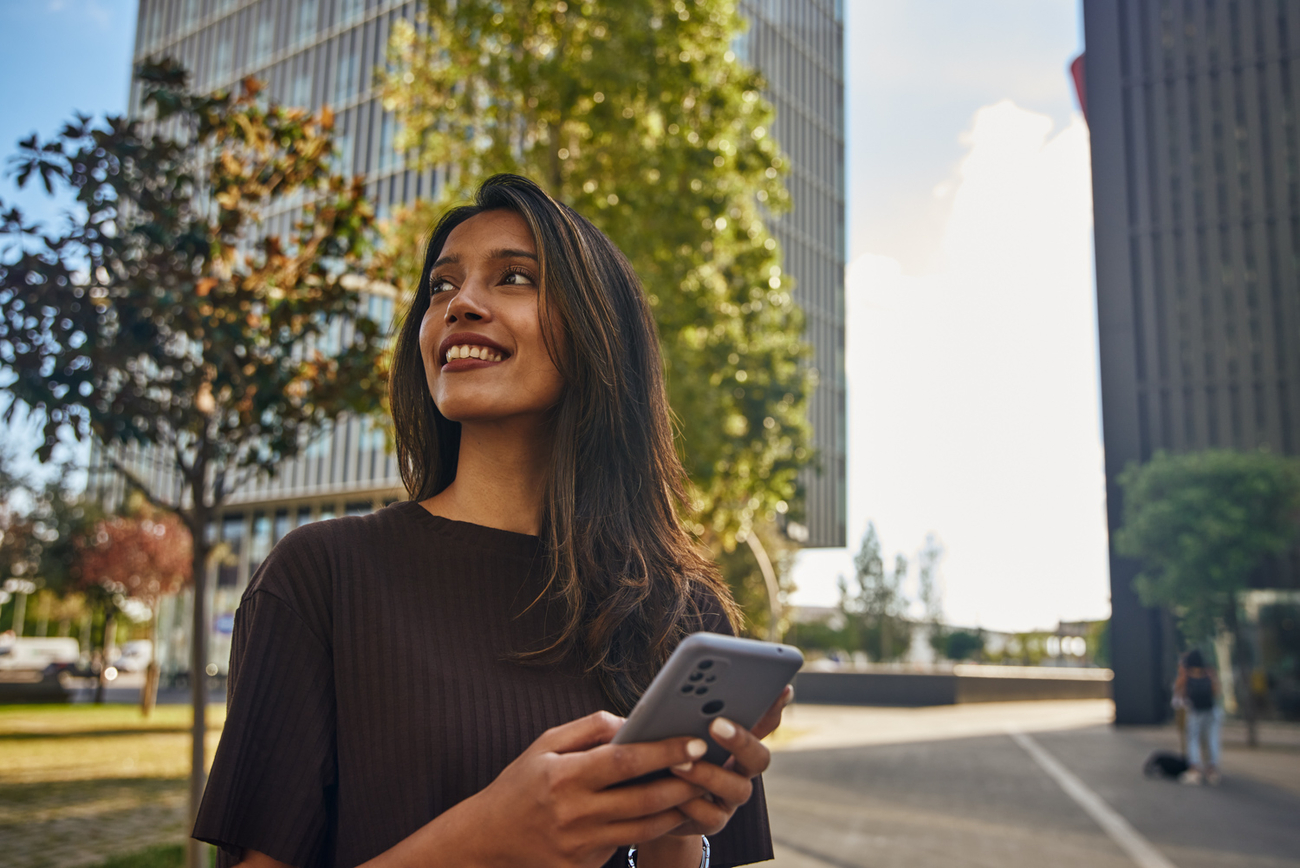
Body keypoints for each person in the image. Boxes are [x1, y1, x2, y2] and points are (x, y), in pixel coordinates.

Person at [192, 174, 788, 868]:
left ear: (601, 331)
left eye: (512, 278)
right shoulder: (320, 576)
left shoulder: (688, 615)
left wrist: (670, 823)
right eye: (441, 286)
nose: (460, 304)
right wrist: (486, 838)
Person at [1173, 648, 1222, 785]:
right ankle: (1212, 770)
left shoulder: (1186, 675)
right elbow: (1216, 691)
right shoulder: (1209, 672)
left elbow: (1179, 691)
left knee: (1193, 738)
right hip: (1211, 710)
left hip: (1195, 711)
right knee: (1212, 739)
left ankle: (1195, 769)